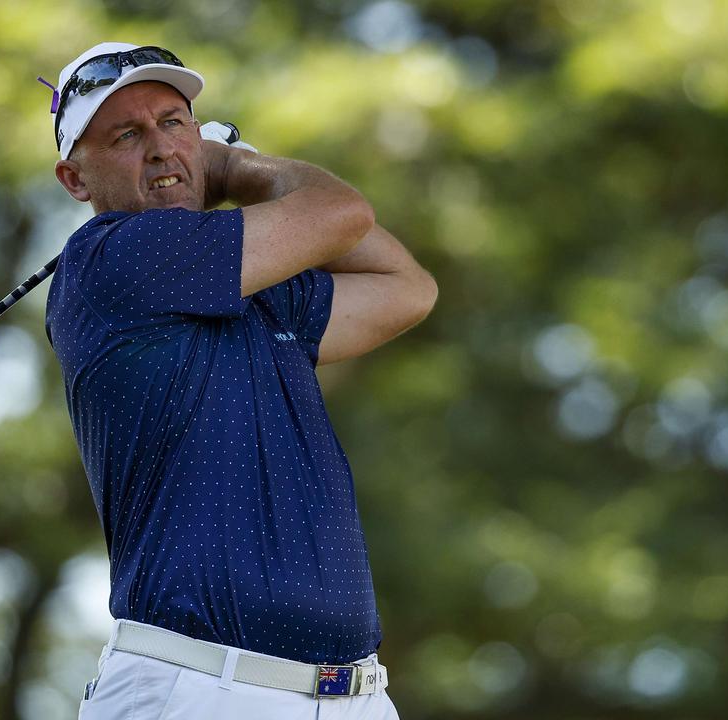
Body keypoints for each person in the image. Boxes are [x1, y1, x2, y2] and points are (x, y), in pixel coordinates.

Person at [43, 41, 437, 719]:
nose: (163, 149)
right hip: (199, 690)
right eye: (128, 135)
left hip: (353, 697)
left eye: (175, 122)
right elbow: (343, 214)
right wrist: (233, 165)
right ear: (76, 181)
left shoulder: (259, 294)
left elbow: (407, 289)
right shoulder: (111, 259)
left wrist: (220, 168)